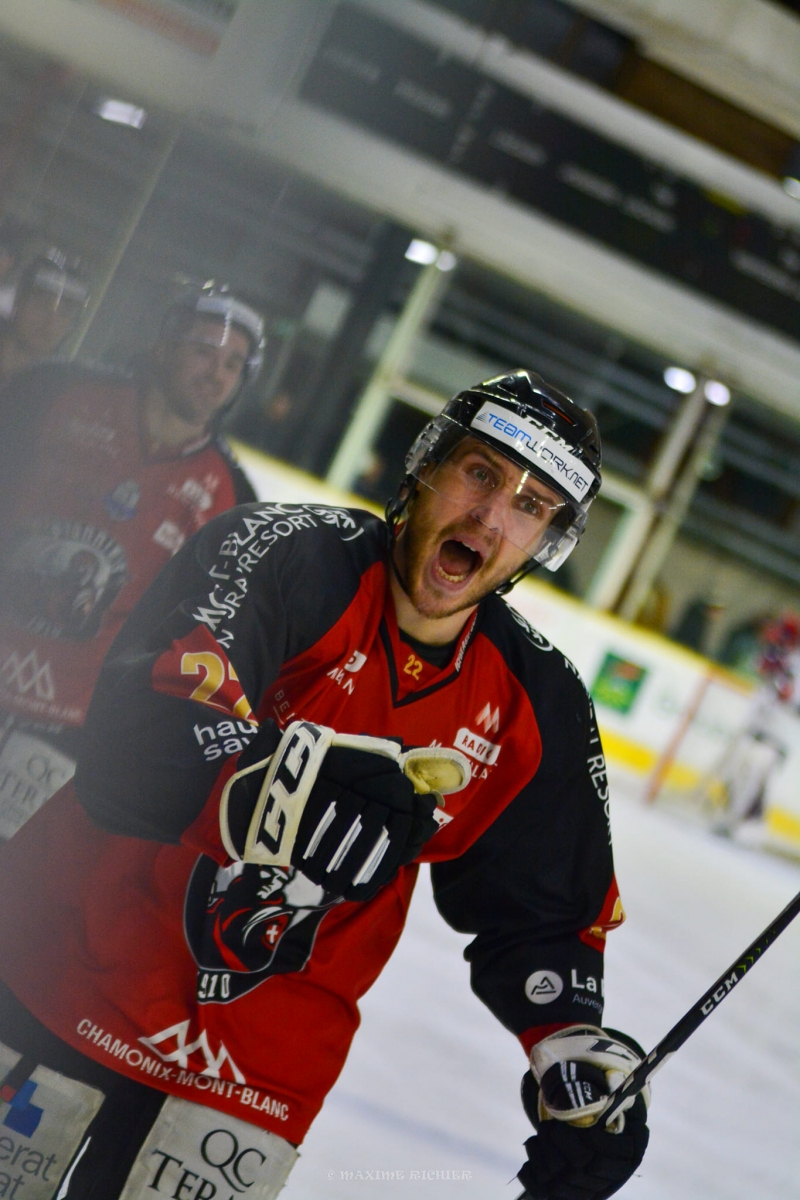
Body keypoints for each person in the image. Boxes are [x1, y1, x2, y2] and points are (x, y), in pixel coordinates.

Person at [0, 370, 651, 1200]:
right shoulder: (280, 552)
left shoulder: (538, 702)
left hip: (256, 1073)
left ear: (545, 541)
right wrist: (284, 784)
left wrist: (572, 1057)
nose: (490, 518)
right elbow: (140, 734)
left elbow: (545, 914)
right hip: (63, 974)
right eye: (480, 473)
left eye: (530, 507)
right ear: (425, 466)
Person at [0, 284, 264, 839]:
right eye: (203, 352)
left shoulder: (232, 497)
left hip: (68, 729)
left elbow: (195, 643)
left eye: (232, 364)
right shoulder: (55, 393)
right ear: (163, 348)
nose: (215, 374)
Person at [0, 247, 90, 385]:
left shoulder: (60, 389)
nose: (51, 321)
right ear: (19, 300)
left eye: (64, 312)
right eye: (42, 304)